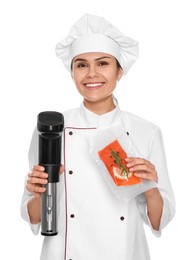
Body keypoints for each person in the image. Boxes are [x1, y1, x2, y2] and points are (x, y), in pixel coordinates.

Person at [20, 14, 175, 260]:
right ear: (72, 73)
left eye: (102, 63)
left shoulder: (146, 131)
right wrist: (38, 192)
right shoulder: (52, 128)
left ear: (119, 71)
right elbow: (35, 217)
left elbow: (158, 222)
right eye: (81, 65)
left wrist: (151, 186)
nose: (92, 73)